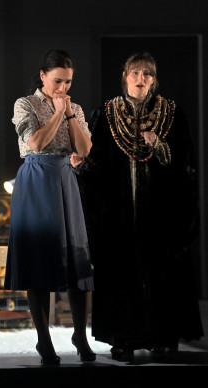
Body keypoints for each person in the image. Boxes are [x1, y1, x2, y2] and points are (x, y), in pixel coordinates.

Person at [77, 53, 204, 359]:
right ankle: (123, 337)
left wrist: (159, 146)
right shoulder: (106, 114)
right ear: (125, 76)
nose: (140, 79)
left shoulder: (172, 113)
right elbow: (96, 162)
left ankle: (163, 336)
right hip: (118, 214)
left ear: (153, 79)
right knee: (121, 271)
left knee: (161, 271)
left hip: (159, 212)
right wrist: (82, 165)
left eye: (147, 74)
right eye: (135, 73)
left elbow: (185, 163)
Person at [5, 49, 95, 365]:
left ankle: (80, 336)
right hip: (35, 179)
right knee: (39, 260)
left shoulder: (75, 107)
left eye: (68, 82)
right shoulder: (25, 104)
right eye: (58, 81)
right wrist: (57, 113)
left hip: (65, 180)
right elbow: (35, 143)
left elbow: (84, 148)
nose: (63, 88)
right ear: (43, 76)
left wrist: (68, 114)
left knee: (75, 259)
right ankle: (44, 340)